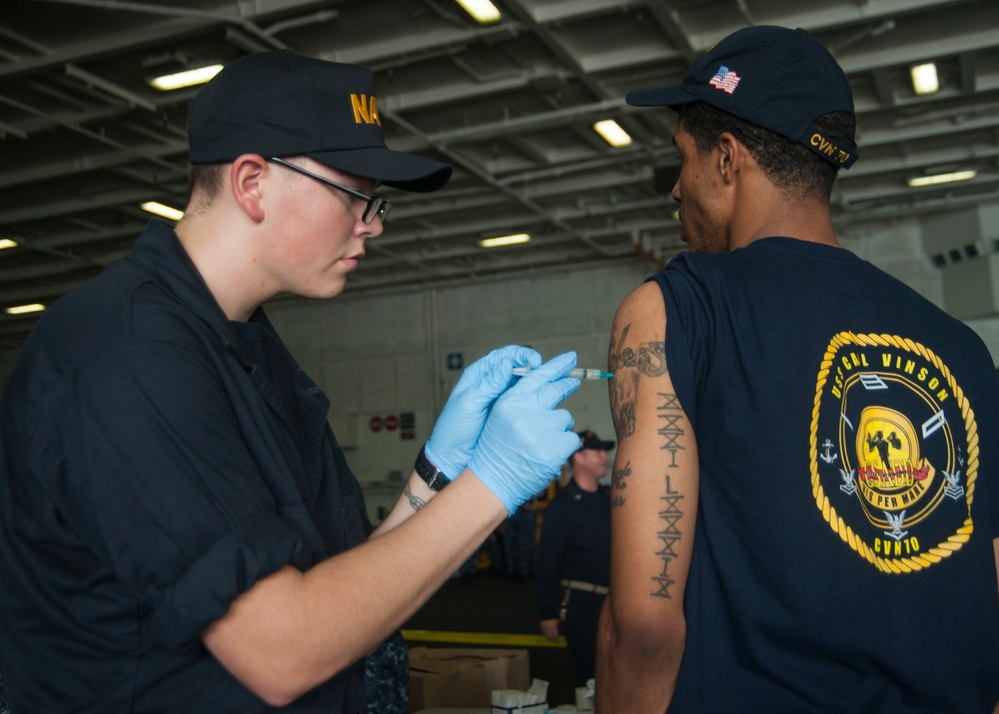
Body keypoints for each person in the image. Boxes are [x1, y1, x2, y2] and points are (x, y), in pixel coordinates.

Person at [0, 51, 584, 713]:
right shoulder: (128, 358)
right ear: (252, 182)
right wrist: (493, 484)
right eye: (354, 196)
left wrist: (436, 476)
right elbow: (281, 649)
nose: (373, 224)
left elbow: (337, 583)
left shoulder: (239, 337)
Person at [596, 25, 999, 713]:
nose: (674, 190)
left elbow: (645, 619)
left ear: (726, 160)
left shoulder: (675, 310)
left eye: (682, 160)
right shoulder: (961, 349)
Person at [535, 429, 614, 688]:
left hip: (616, 600)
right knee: (591, 680)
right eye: (597, 451)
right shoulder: (562, 507)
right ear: (578, 457)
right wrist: (548, 612)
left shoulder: (610, 498)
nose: (605, 456)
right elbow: (547, 563)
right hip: (583, 606)